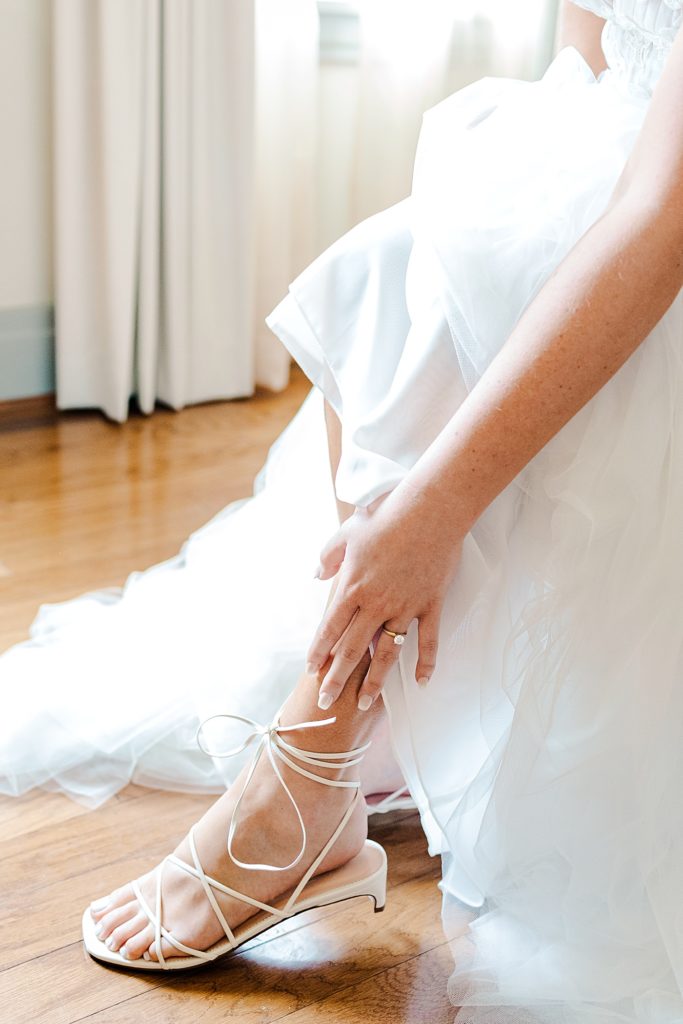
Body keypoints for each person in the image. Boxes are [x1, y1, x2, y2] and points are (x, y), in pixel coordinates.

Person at [5, 0, 683, 1018]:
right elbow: (593, 47)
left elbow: (661, 215)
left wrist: (436, 506)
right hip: (630, 153)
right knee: (417, 259)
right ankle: (329, 746)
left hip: (666, 206)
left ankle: (306, 768)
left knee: (438, 305)